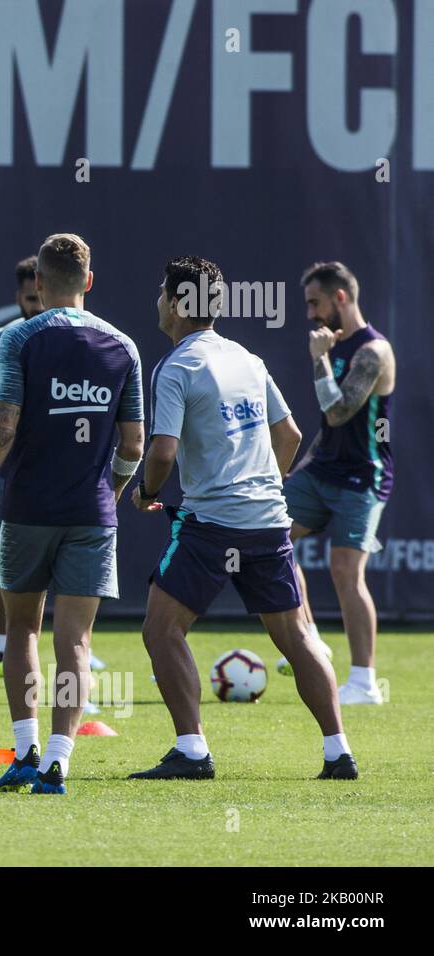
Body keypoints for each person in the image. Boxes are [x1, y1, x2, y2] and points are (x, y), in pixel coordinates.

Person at [129, 255, 356, 781]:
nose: (159, 302)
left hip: (211, 524)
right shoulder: (247, 358)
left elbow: (161, 452)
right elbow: (291, 436)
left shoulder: (177, 365)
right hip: (269, 522)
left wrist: (146, 492)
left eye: (165, 293)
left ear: (181, 304)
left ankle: (191, 750)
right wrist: (262, 489)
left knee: (161, 629)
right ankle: (338, 751)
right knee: (298, 637)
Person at [0, 234, 144, 795]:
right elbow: (134, 444)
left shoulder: (18, 337)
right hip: (91, 514)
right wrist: (106, 490)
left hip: (27, 510)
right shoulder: (124, 346)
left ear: (38, 283)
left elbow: (3, 421)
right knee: (76, 643)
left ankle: (24, 751)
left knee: (21, 631)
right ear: (89, 281)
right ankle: (59, 760)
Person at [0, 255, 108, 682]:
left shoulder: (86, 338)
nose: (36, 306)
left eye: (38, 296)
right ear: (25, 295)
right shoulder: (7, 340)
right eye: (29, 299)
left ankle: (78, 647)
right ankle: (5, 647)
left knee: (68, 559)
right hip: (12, 468)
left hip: (64, 472)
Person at [279, 262, 395, 706]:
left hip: (361, 477)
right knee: (270, 536)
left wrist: (319, 359)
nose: (310, 313)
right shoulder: (334, 344)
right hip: (320, 470)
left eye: (315, 302)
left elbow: (337, 412)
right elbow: (327, 431)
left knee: (346, 570)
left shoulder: (374, 351)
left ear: (340, 298)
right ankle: (309, 635)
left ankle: (364, 681)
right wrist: (301, 466)